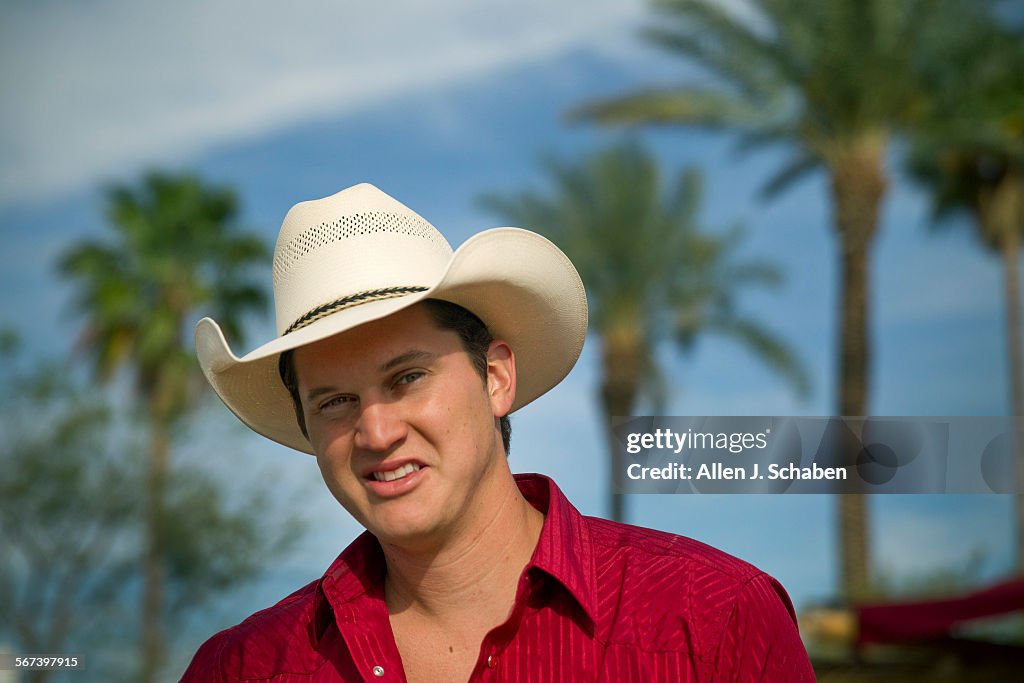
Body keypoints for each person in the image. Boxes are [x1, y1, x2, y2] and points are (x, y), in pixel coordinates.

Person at [183, 183, 815, 681]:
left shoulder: (712, 619)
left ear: (495, 377)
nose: (375, 431)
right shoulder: (243, 670)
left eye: (407, 379)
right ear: (307, 429)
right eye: (336, 402)